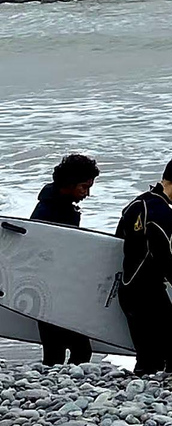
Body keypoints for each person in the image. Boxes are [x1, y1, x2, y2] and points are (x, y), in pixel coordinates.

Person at [115, 157, 172, 377]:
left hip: (127, 291)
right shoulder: (162, 212)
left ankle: (140, 395)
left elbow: (117, 243)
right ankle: (157, 399)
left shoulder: (135, 204)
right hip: (148, 293)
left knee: (147, 357)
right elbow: (164, 256)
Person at [31, 154, 100, 366]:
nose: (87, 194)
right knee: (75, 350)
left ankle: (54, 388)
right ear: (69, 184)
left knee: (58, 351)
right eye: (84, 187)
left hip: (57, 290)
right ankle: (57, 390)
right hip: (50, 291)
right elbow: (39, 252)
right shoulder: (48, 211)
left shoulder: (59, 204)